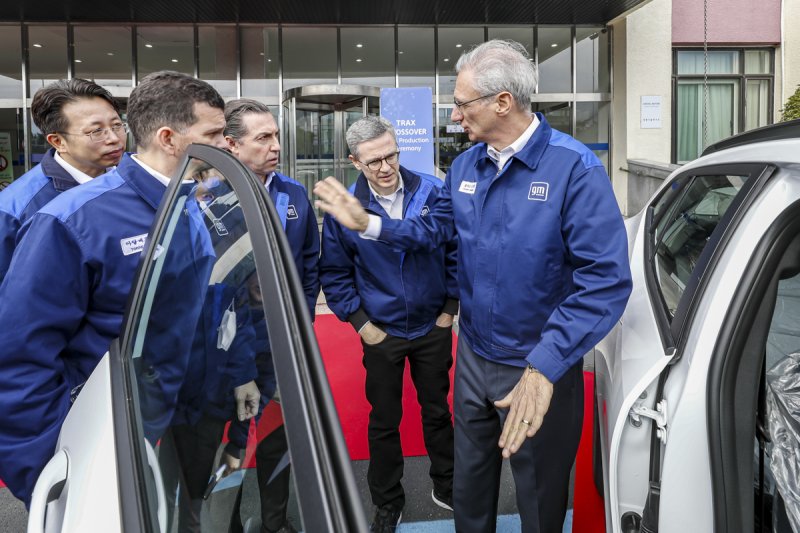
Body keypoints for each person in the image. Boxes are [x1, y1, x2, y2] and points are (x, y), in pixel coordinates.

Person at [314, 40, 633, 533]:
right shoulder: (464, 168)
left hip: (537, 368)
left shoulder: (575, 169)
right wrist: (368, 225)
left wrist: (545, 366)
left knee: (540, 498)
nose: (456, 117)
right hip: (474, 361)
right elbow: (431, 233)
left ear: (501, 102)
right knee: (470, 490)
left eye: (462, 104)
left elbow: (605, 281)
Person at [0, 71, 249, 506]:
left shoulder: (186, 201)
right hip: (101, 435)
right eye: (215, 133)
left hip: (168, 423)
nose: (229, 143)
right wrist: (51, 479)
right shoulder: (72, 220)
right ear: (170, 139)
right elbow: (20, 357)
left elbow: (197, 309)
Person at [320, 116, 458, 532]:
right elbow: (336, 271)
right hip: (381, 332)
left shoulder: (432, 190)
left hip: (432, 326)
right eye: (374, 160)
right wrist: (362, 323)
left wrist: (449, 309)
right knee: (384, 419)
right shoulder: (347, 208)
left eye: (391, 155)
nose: (385, 167)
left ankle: (447, 485)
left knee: (437, 411)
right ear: (355, 162)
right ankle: (387, 500)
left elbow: (453, 250)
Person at [222, 98, 320, 533]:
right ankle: (223, 521)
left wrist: (302, 324)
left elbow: (311, 263)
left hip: (283, 343)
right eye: (263, 138)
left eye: (276, 135)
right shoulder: (209, 199)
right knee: (231, 442)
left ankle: (274, 521)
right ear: (232, 145)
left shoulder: (294, 193)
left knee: (279, 438)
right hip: (229, 349)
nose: (276, 145)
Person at [0, 78, 125, 282]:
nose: (114, 138)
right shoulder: (16, 209)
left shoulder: (128, 181)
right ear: (58, 141)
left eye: (117, 125)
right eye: (96, 131)